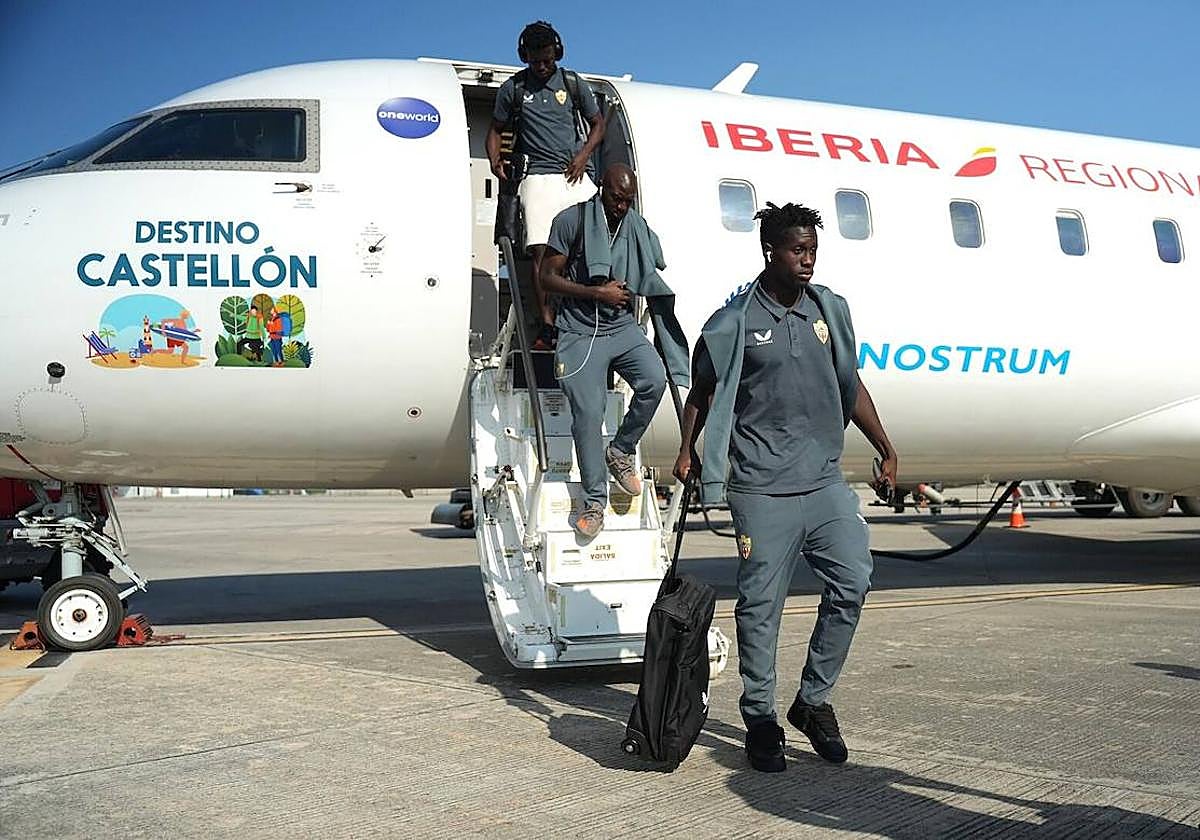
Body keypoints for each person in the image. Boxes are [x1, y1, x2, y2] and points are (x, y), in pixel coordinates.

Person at [673, 202, 898, 772]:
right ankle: (761, 719)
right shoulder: (733, 323)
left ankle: (813, 702)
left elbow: (849, 384)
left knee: (853, 580)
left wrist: (885, 446)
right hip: (760, 488)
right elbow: (702, 393)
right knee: (760, 608)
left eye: (812, 250)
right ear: (769, 252)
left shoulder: (829, 311)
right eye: (797, 250)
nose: (807, 260)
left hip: (823, 482)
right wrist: (688, 450)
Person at [541, 163, 688, 539]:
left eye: (628, 201)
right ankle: (593, 503)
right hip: (579, 331)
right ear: (602, 189)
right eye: (617, 199)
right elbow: (546, 277)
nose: (622, 207)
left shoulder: (633, 225)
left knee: (654, 379)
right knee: (588, 413)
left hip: (621, 327)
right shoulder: (571, 221)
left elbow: (650, 267)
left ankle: (620, 450)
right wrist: (596, 292)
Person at [487, 20, 606, 349]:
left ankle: (592, 310)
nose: (541, 66)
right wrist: (496, 161)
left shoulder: (572, 83)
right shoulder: (513, 89)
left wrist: (583, 156)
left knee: (596, 237)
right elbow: (495, 130)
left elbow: (598, 125)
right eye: (535, 60)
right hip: (536, 176)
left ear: (558, 54)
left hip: (574, 174)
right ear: (524, 56)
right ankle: (548, 324)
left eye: (547, 60)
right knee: (541, 249)